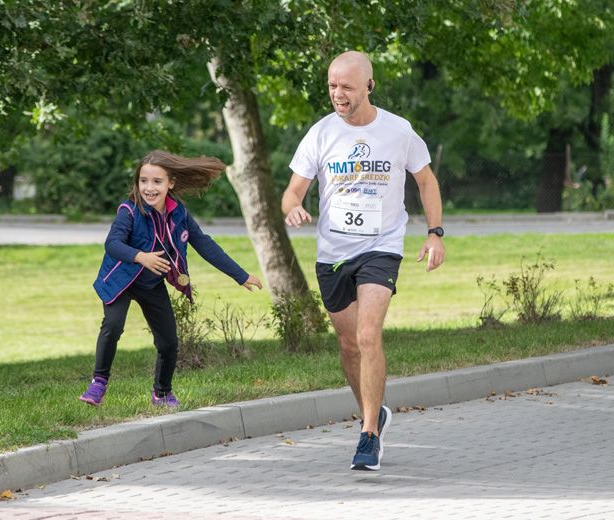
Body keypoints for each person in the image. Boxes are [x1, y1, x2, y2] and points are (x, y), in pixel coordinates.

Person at [281, 51, 445, 470]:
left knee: (369, 335)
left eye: (347, 86)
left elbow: (425, 181)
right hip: (333, 253)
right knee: (349, 344)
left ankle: (369, 432)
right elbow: (292, 191)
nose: (338, 93)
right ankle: (374, 410)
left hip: (381, 246)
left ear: (369, 86)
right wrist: (294, 207)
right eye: (333, 85)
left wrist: (434, 232)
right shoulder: (319, 134)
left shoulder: (398, 131)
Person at [83, 150, 262, 408]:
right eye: (144, 181)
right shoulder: (129, 211)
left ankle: (162, 393)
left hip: (151, 284)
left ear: (171, 183)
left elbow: (205, 245)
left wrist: (241, 275)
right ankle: (98, 383)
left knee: (169, 342)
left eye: (157, 181)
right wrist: (141, 257)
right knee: (113, 326)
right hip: (120, 281)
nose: (149, 187)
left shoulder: (179, 214)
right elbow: (112, 244)